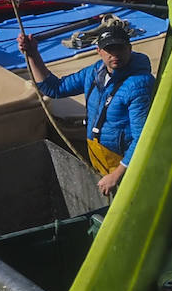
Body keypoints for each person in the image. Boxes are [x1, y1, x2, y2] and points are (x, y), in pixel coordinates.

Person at [19, 22, 154, 197]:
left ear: (129, 48)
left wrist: (117, 175)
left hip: (124, 164)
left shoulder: (139, 85)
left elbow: (142, 137)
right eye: (109, 49)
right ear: (99, 51)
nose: (115, 55)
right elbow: (55, 89)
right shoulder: (93, 73)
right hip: (99, 155)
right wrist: (32, 55)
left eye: (119, 48)